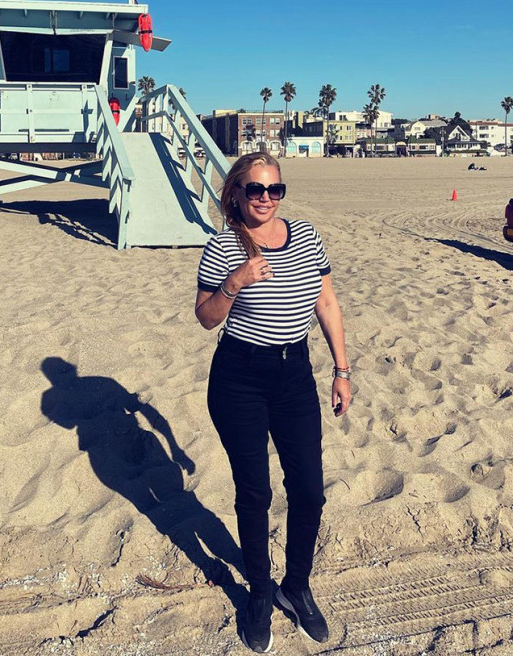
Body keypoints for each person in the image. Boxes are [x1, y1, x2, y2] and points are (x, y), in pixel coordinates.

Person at [195, 151, 352, 652]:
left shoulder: (306, 235)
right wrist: (234, 282)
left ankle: (296, 586)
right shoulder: (223, 246)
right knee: (255, 493)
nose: (266, 198)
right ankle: (260, 594)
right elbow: (205, 316)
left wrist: (342, 370)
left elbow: (326, 301)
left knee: (308, 489)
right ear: (236, 194)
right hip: (239, 379)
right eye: (256, 190)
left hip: (295, 375)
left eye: (274, 189)